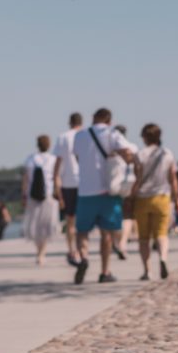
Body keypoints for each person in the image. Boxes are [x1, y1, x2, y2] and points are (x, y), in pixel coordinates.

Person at [72, 107, 136, 284]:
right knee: (106, 234)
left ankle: (83, 257)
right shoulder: (112, 134)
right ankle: (105, 271)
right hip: (108, 191)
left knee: (82, 231)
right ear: (109, 120)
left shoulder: (80, 135)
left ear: (93, 118)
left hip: (85, 191)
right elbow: (129, 155)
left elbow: (77, 158)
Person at [131, 123, 178, 281]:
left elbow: (137, 179)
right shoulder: (167, 154)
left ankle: (147, 271)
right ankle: (163, 258)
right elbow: (173, 179)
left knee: (144, 237)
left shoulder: (140, 154)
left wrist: (131, 196)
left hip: (143, 198)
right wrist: (177, 198)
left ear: (145, 137)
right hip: (162, 198)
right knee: (161, 234)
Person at [22, 134, 61, 265]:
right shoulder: (53, 159)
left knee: (35, 226)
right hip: (48, 196)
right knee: (46, 225)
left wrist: (24, 195)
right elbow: (56, 179)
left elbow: (26, 179)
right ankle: (42, 252)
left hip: (33, 197)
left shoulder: (30, 159)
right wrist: (60, 195)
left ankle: (38, 250)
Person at [53, 112, 83, 267]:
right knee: (82, 222)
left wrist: (56, 187)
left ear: (69, 122)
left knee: (70, 221)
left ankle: (72, 251)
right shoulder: (84, 136)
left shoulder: (62, 137)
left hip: (67, 184)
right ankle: (82, 251)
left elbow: (57, 163)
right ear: (81, 123)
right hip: (84, 183)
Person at [112, 124, 136, 260]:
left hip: (113, 186)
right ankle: (122, 243)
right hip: (130, 184)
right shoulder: (132, 147)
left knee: (114, 217)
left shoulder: (111, 149)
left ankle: (116, 242)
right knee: (128, 218)